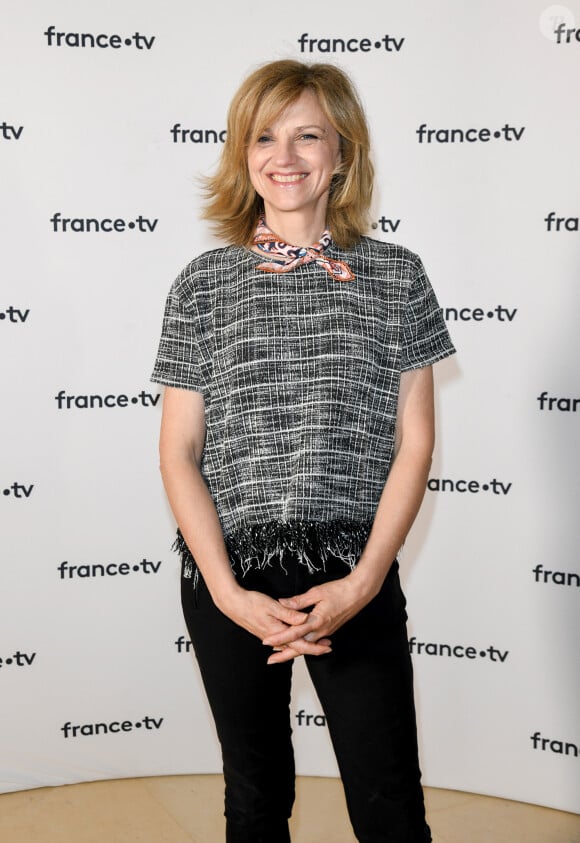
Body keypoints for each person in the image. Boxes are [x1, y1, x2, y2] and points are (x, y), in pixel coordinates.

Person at [151, 59, 455, 843]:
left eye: (307, 134)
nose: (283, 155)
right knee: (254, 800)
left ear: (342, 152)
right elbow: (180, 451)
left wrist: (364, 580)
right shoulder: (202, 283)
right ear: (242, 154)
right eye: (264, 136)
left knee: (389, 802)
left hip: (351, 571)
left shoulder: (397, 276)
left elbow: (413, 445)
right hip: (229, 575)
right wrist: (225, 591)